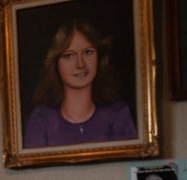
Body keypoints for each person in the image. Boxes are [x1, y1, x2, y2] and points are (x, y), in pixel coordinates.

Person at [24, 18, 136, 148]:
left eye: (88, 52)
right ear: (56, 63)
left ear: (98, 56)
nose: (80, 64)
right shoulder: (41, 120)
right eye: (69, 56)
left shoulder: (118, 113)